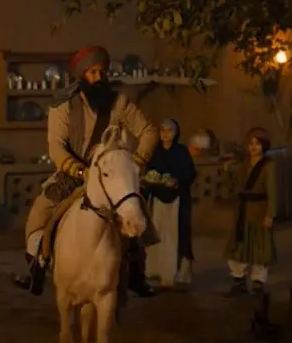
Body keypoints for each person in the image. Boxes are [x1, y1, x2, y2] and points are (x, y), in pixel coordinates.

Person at [13, 46, 158, 296]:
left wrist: (135, 163)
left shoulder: (119, 103)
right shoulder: (62, 106)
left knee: (135, 210)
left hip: (110, 176)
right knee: (39, 214)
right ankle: (37, 269)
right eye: (92, 72)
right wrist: (80, 171)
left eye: (102, 72)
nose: (98, 77)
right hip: (73, 175)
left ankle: (136, 274)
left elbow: (149, 132)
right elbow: (56, 147)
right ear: (82, 75)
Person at [221, 129, 278, 298]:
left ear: (263, 146)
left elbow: (272, 191)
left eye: (257, 144)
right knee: (238, 245)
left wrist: (270, 214)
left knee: (260, 246)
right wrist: (227, 171)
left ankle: (258, 282)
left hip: (259, 210)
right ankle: (239, 281)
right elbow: (233, 187)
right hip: (242, 211)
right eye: (251, 143)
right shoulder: (243, 165)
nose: (253, 147)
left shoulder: (268, 165)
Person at [143, 119, 197, 289]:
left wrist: (177, 181)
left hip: (176, 201)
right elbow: (148, 171)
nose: (166, 134)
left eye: (169, 130)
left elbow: (190, 172)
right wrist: (151, 179)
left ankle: (175, 274)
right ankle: (156, 272)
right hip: (158, 200)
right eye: (163, 130)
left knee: (174, 236)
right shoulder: (155, 152)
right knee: (158, 234)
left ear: (175, 133)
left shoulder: (181, 152)